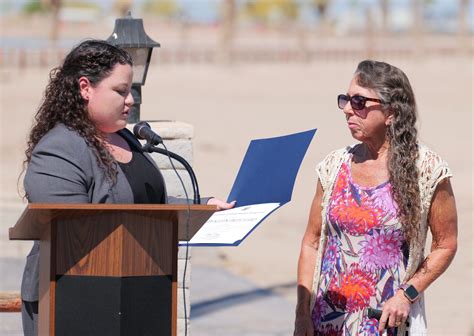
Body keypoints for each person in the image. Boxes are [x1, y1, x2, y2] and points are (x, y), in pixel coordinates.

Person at [20, 39, 234, 335]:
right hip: (73, 300)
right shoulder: (60, 149)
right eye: (120, 91)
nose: (130, 100)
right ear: (85, 88)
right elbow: (70, 230)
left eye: (131, 90)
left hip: (140, 292)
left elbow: (144, 203)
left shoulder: (127, 138)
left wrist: (201, 206)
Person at [294, 60, 457, 336]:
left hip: (385, 324)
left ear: (391, 112)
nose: (347, 109)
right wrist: (301, 314)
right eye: (345, 99)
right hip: (324, 323)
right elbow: (311, 242)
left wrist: (408, 294)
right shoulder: (334, 167)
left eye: (358, 101)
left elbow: (446, 245)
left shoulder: (427, 170)